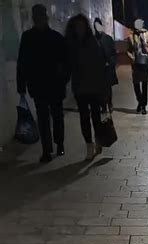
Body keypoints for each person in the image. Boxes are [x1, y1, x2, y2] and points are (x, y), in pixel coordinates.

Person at [17, 4, 69, 163]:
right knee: (52, 116)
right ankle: (54, 146)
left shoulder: (29, 37)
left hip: (43, 84)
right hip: (49, 85)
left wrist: (22, 84)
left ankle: (51, 148)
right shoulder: (55, 37)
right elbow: (22, 63)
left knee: (47, 117)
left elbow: (23, 63)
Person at [65, 14, 107, 161]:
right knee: (84, 117)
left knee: (95, 116)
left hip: (94, 86)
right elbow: (68, 65)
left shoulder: (93, 42)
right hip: (80, 87)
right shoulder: (71, 44)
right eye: (77, 27)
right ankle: (89, 145)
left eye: (82, 26)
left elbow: (99, 64)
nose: (80, 29)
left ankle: (98, 140)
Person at [127, 18, 148, 115]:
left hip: (145, 63)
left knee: (144, 85)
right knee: (136, 84)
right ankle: (140, 101)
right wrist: (132, 58)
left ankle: (143, 106)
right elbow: (128, 50)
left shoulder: (147, 35)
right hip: (136, 63)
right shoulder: (131, 36)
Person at [93, 18, 118, 112]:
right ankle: (103, 105)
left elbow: (113, 52)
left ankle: (109, 103)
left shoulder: (108, 38)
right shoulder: (93, 39)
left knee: (107, 88)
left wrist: (111, 63)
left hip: (107, 67)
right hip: (98, 68)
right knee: (100, 88)